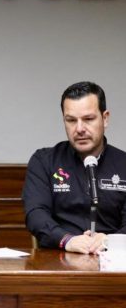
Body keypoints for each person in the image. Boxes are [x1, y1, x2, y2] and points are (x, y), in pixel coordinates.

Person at [23, 81, 126, 254]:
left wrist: (110, 241)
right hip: (58, 257)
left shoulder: (123, 163)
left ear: (105, 118)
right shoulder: (44, 161)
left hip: (113, 258)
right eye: (71, 120)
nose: (79, 129)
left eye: (88, 119)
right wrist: (67, 240)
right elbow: (36, 214)